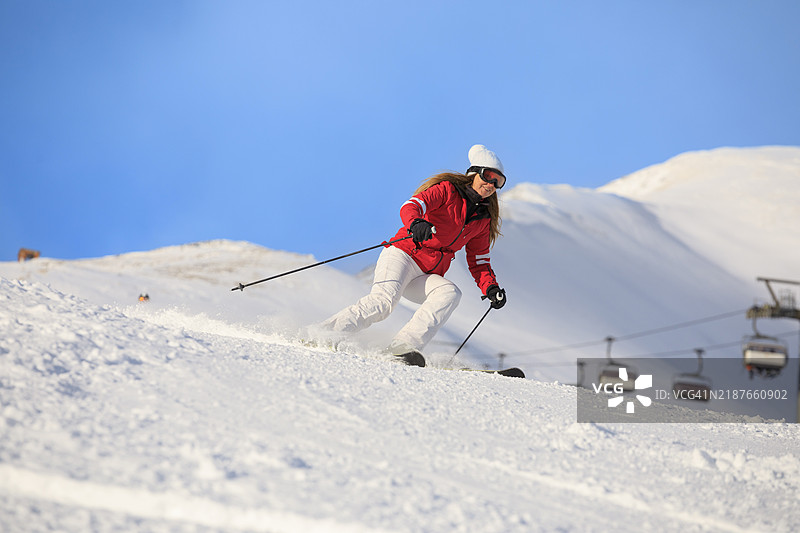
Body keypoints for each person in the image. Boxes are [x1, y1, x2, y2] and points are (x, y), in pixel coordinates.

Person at [319, 144, 508, 366]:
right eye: (488, 176)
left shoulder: (482, 219)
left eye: (499, 181)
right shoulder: (447, 190)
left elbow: (479, 261)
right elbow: (411, 205)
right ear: (474, 173)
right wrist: (416, 222)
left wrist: (491, 287)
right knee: (382, 302)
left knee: (450, 293)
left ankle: (402, 347)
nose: (491, 184)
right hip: (403, 255)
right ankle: (325, 334)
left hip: (426, 273)